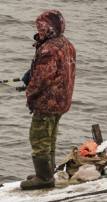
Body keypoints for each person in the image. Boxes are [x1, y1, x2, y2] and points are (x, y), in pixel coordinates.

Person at [19, 10, 76, 190]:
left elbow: (42, 78)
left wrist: (29, 92)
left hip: (48, 101)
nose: (39, 30)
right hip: (62, 100)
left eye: (41, 28)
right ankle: (46, 172)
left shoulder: (49, 49)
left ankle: (44, 178)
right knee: (50, 136)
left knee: (39, 137)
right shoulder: (66, 44)